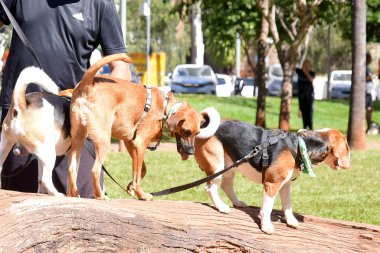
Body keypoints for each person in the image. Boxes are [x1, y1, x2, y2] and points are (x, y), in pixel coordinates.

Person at [0, 0, 131, 198]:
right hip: (22, 119)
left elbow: (120, 65)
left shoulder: (100, 4)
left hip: (73, 125)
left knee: (87, 213)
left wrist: (100, 104)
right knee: (15, 212)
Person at [296, 59, 316, 130]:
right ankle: (304, 127)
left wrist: (305, 72)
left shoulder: (312, 73)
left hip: (309, 95)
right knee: (303, 111)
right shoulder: (299, 72)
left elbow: (311, 79)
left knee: (309, 112)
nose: (305, 66)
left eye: (307, 65)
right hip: (301, 95)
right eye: (304, 64)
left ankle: (310, 127)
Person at [365, 53, 374, 132]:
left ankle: (369, 126)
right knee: (367, 109)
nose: (371, 60)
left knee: (370, 109)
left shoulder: (368, 68)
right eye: (370, 58)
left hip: (369, 92)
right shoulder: (363, 68)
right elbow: (360, 78)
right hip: (366, 92)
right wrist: (369, 77)